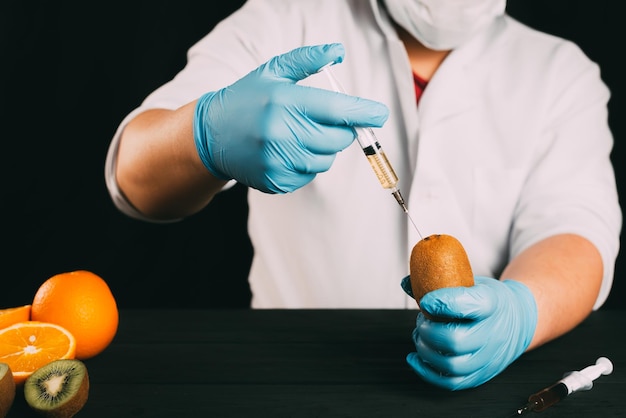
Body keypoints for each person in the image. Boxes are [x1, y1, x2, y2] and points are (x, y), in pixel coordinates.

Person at [105, 0, 621, 390]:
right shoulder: (287, 20)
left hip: (480, 391)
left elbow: (575, 229)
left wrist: (521, 313)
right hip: (287, 383)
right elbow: (133, 172)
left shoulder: (559, 71)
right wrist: (205, 137)